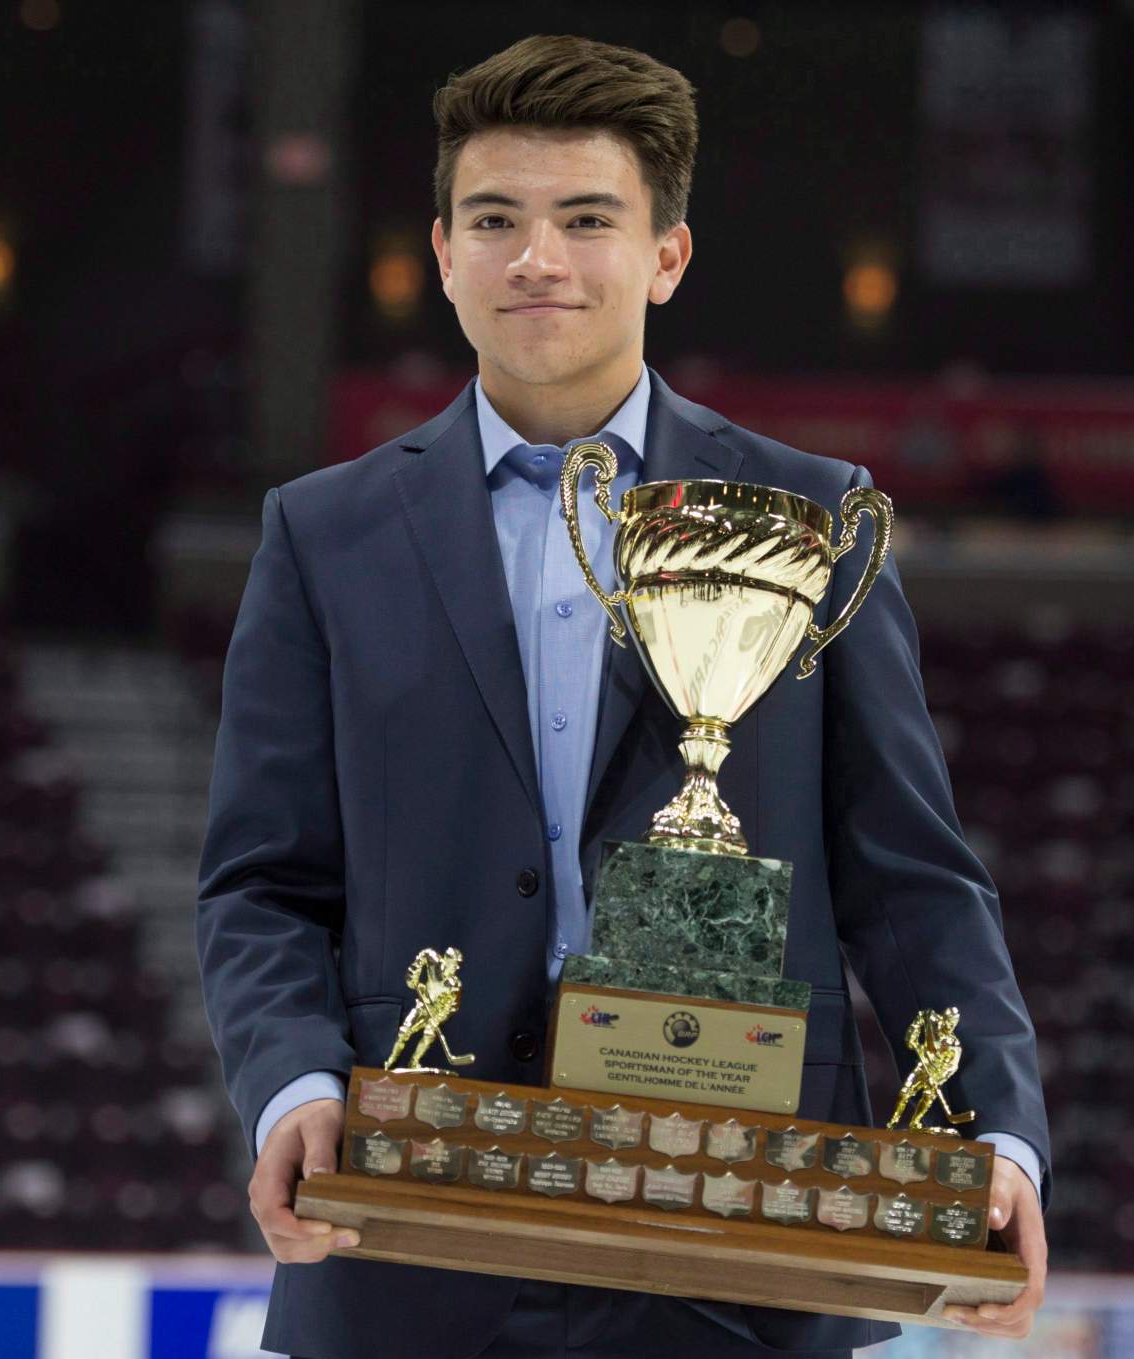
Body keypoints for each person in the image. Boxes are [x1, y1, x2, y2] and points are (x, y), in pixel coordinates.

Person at [198, 34, 1050, 1359]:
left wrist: (997, 1131)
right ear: (442, 252)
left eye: (585, 218)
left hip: (740, 1227)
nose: (535, 257)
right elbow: (261, 879)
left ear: (667, 255)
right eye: (495, 219)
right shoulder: (323, 535)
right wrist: (294, 1084)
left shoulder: (809, 518)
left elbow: (911, 871)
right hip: (405, 1221)